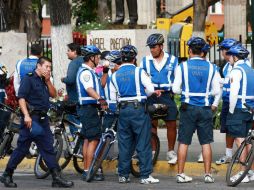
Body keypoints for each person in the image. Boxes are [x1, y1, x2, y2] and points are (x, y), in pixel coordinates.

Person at [0, 57, 74, 188]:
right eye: (46, 66)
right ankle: (7, 174)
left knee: (48, 148)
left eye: (50, 67)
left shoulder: (45, 80)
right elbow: (21, 98)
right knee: (23, 149)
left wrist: (48, 81)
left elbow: (54, 94)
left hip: (43, 119)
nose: (48, 69)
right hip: (31, 119)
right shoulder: (28, 79)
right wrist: (27, 116)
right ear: (38, 66)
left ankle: (56, 177)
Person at [173, 37, 220, 183]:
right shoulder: (212, 67)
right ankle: (207, 174)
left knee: (183, 142)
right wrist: (205, 94)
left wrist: (186, 93)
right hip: (205, 108)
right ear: (202, 52)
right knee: (205, 143)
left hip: (188, 108)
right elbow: (216, 90)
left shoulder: (182, 67)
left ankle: (180, 174)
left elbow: (175, 89)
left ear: (190, 50)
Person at [111, 45, 160, 184]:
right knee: (143, 142)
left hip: (123, 110)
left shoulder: (115, 75)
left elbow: (113, 95)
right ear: (134, 59)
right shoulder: (139, 71)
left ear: (122, 58)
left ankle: (123, 175)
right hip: (138, 109)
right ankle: (145, 176)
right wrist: (142, 94)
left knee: (125, 143)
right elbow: (150, 89)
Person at [140, 33, 178, 164]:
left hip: (167, 94)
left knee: (171, 123)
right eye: (150, 47)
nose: (152, 49)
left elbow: (177, 78)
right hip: (151, 95)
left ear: (161, 46)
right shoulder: (145, 61)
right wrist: (150, 90)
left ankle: (171, 152)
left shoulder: (173, 60)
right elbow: (141, 78)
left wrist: (173, 89)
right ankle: (152, 152)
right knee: (151, 123)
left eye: (154, 46)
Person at [76, 45, 106, 181]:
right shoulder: (86, 72)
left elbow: (100, 85)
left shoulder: (91, 71)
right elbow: (89, 89)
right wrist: (100, 99)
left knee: (88, 139)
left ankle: (87, 170)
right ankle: (88, 170)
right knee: (93, 139)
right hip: (88, 109)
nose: (99, 59)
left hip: (88, 109)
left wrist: (105, 71)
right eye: (98, 57)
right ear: (91, 58)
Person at [225, 45, 254, 183]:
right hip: (250, 110)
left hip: (239, 110)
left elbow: (234, 93)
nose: (229, 58)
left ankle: (243, 172)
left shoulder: (236, 71)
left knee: (240, 140)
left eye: (230, 56)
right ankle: (251, 172)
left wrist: (231, 110)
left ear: (235, 57)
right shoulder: (251, 70)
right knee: (249, 141)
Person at [215, 38, 240, 165]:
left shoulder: (239, 64)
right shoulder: (225, 66)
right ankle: (229, 154)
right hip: (226, 101)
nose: (222, 54)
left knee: (238, 132)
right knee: (228, 129)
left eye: (223, 51)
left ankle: (244, 159)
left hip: (236, 102)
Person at [61, 43, 83, 136]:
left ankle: (75, 148)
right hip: (83, 98)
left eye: (69, 50)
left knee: (73, 123)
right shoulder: (83, 60)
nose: (67, 53)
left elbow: (70, 80)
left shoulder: (74, 63)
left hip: (74, 98)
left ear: (74, 52)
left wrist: (63, 79)